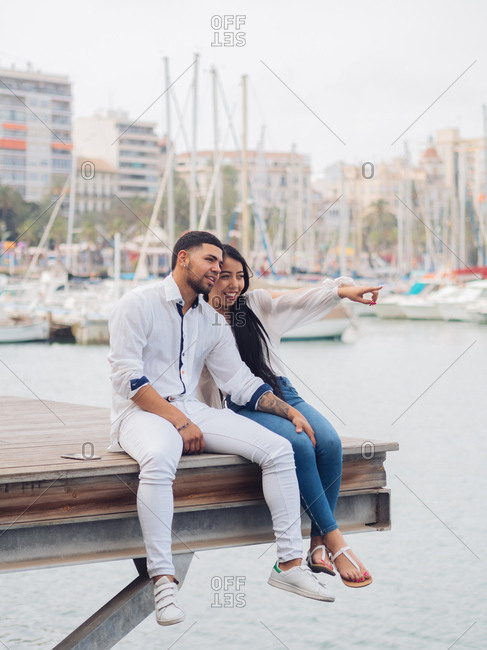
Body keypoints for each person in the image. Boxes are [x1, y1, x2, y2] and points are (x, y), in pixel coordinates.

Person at [108, 231, 334, 628]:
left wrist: (287, 412)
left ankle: (290, 564)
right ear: (182, 259)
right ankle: (163, 579)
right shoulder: (137, 304)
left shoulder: (210, 319)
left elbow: (240, 382)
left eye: (220, 262)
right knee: (160, 457)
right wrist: (179, 422)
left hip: (191, 409)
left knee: (279, 448)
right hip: (140, 413)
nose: (217, 269)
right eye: (210, 261)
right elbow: (127, 379)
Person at [201, 244, 382, 588]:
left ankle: (317, 546)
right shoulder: (198, 320)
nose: (234, 284)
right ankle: (337, 543)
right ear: (209, 277)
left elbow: (300, 298)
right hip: (237, 405)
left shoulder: (256, 306)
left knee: (328, 441)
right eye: (225, 276)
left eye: (240, 276)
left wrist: (344, 291)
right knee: (298, 444)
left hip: (282, 391)